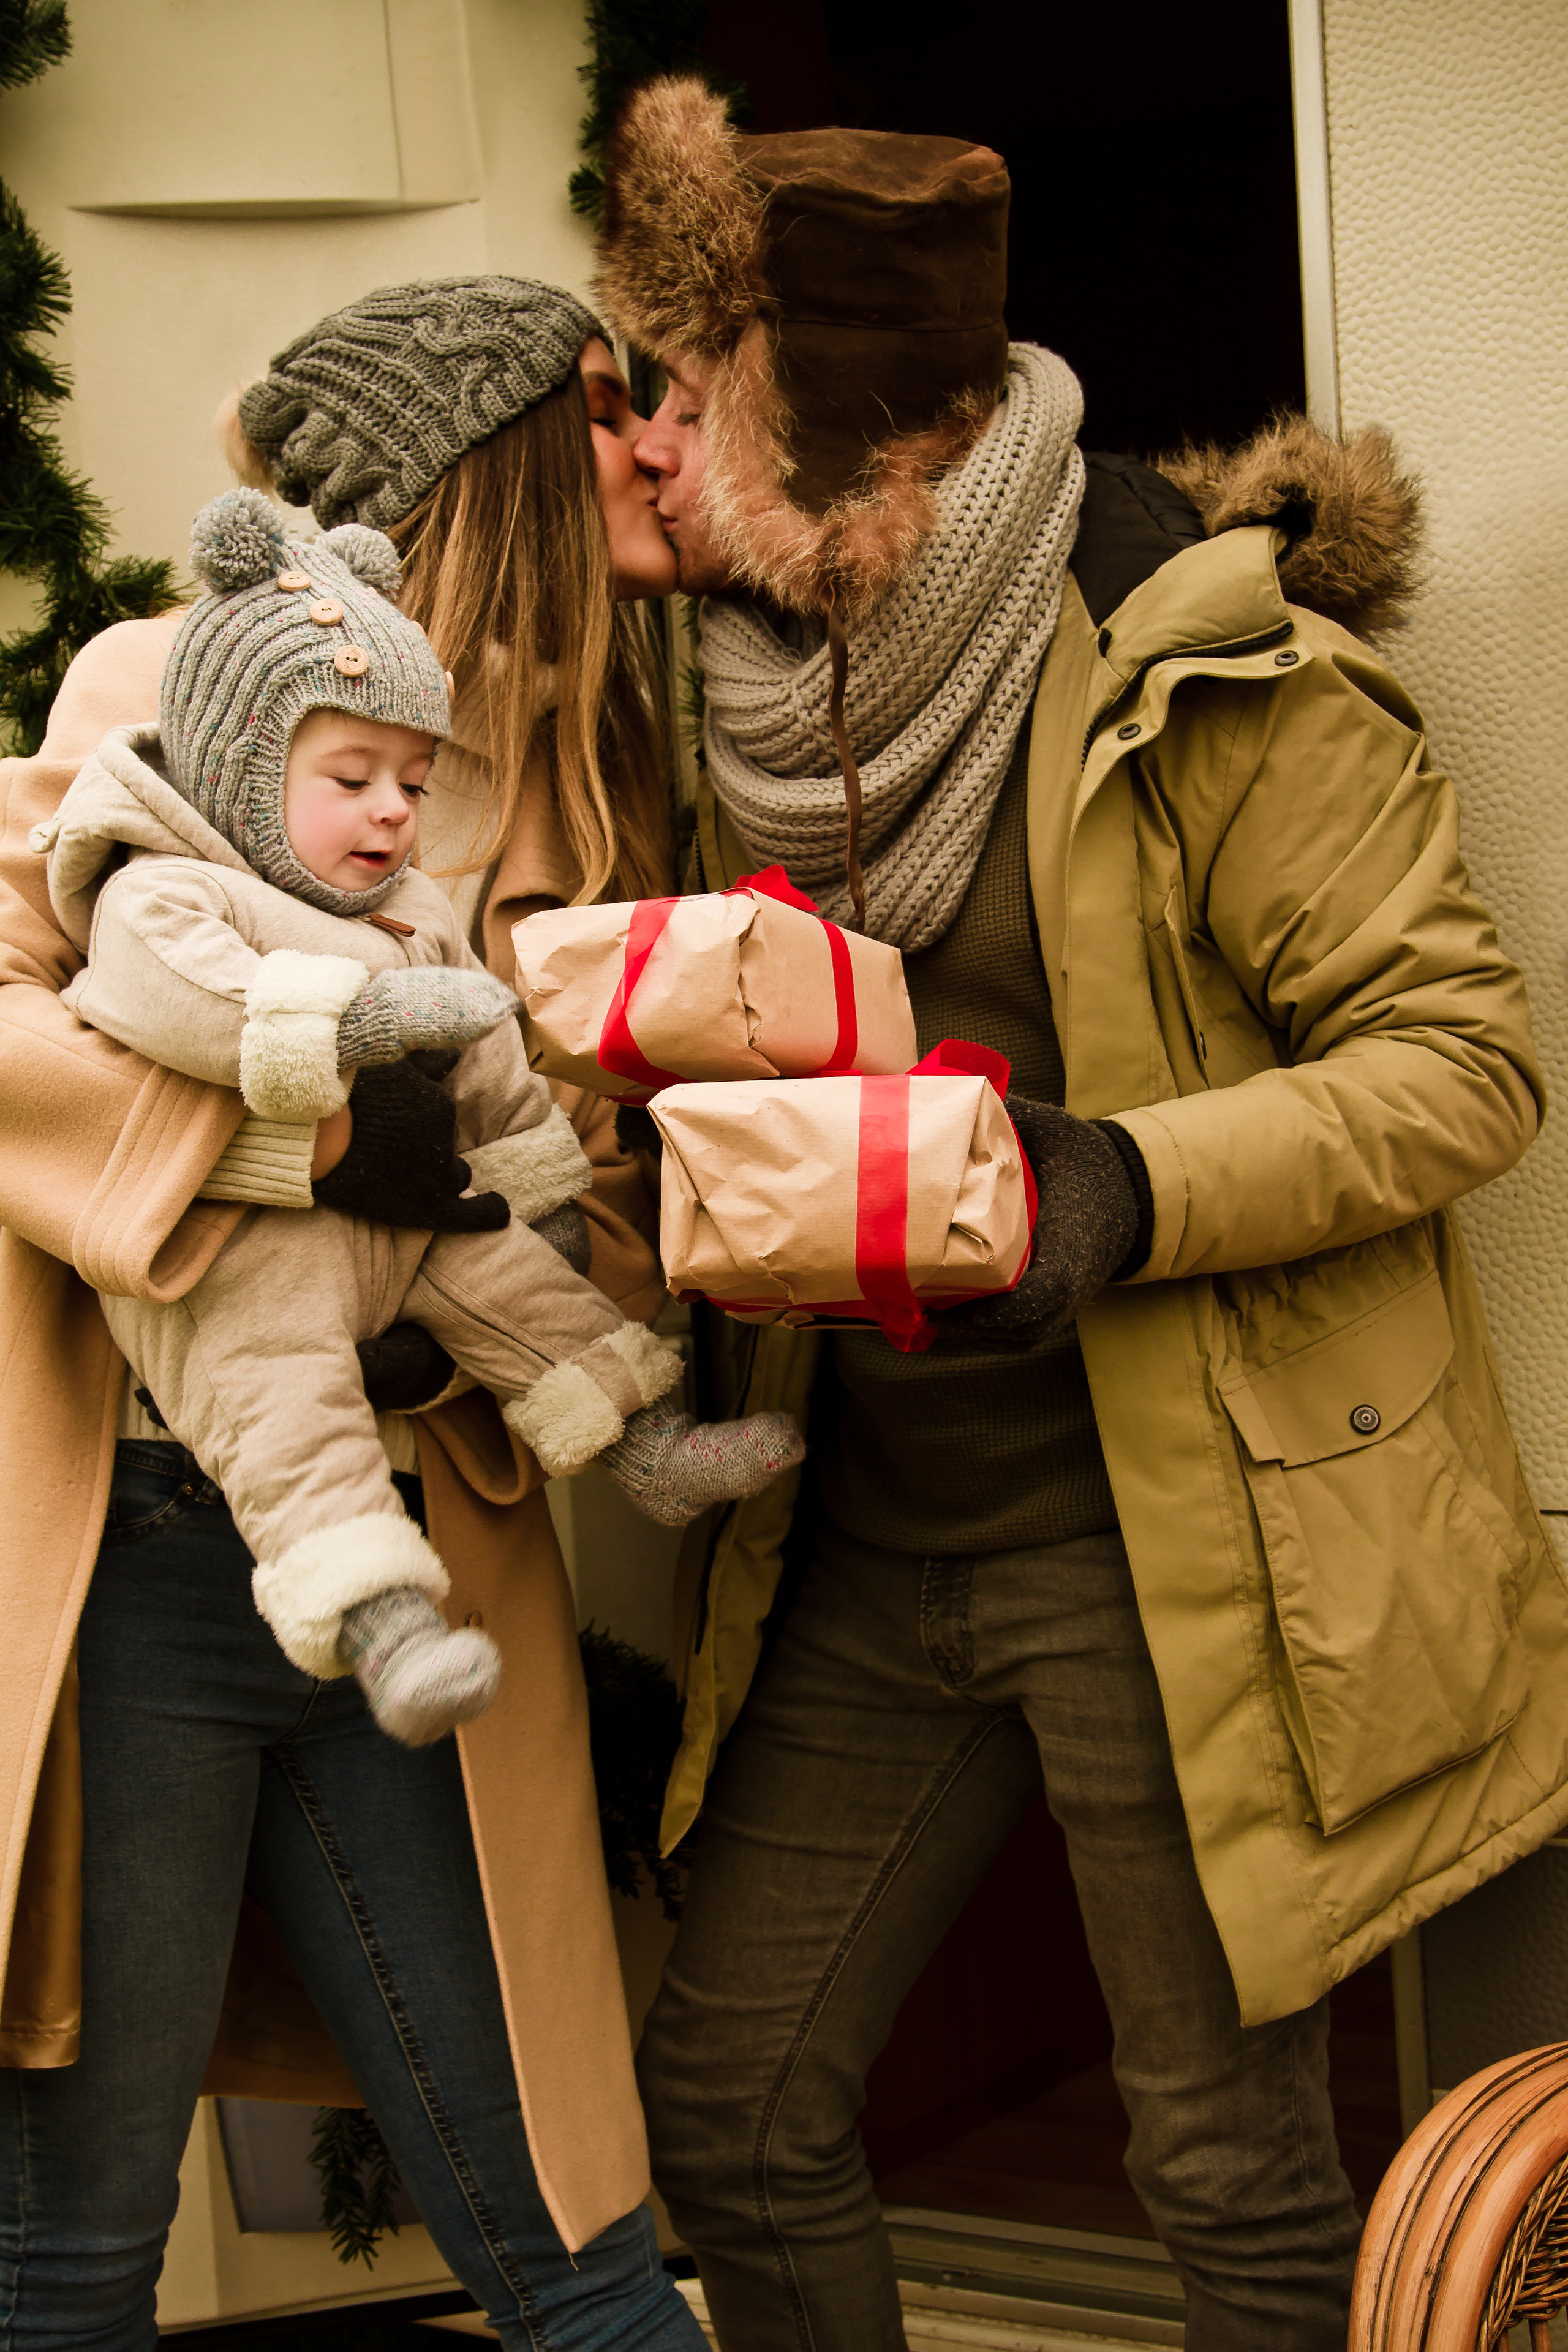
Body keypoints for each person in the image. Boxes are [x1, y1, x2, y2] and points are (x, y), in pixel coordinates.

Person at [590, 80, 1568, 2352]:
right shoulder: (733, 686)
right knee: (732, 2107)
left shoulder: (1205, 668)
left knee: (1226, 2168)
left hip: (1166, 1539)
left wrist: (1116, 1181)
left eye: (691, 390)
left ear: (841, 440)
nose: (647, 444)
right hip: (861, 1532)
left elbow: (1466, 1062)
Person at [0, 279, 709, 2348]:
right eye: (607, 407)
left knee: (574, 2237)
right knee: (70, 2252)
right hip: (146, 1541)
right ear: (497, 456)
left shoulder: (587, 780)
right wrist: (304, 1148)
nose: (654, 445)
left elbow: (598, 1177)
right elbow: (17, 1018)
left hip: (433, 1532)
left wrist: (475, 1281)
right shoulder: (165, 679)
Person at [44, 488, 804, 1746]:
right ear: (243, 768)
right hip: (242, 1251)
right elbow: (186, 1001)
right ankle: (385, 1624)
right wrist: (354, 1027)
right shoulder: (164, 891)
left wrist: (538, 1195)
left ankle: (649, 1444)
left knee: (525, 1288)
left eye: (413, 779)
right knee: (286, 1412)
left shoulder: (410, 911)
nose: (395, 809)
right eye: (352, 778)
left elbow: (490, 1064)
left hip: (407, 1229)